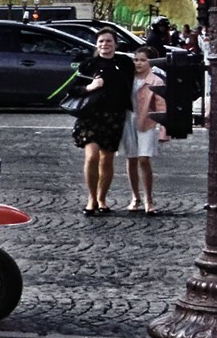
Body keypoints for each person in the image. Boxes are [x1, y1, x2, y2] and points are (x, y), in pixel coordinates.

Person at [69, 31, 134, 216]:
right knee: (92, 156)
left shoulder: (124, 63)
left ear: (116, 44)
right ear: (96, 44)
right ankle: (91, 198)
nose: (105, 44)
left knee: (107, 159)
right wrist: (89, 87)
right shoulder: (89, 64)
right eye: (101, 41)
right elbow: (71, 88)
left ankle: (101, 198)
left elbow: (142, 70)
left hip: (114, 116)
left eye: (109, 41)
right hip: (91, 116)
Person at [123, 37, 166, 213]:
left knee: (143, 159)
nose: (138, 63)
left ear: (151, 62)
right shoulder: (128, 79)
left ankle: (149, 198)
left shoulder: (156, 81)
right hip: (128, 121)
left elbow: (162, 106)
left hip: (147, 122)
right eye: (136, 59)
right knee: (131, 159)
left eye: (143, 60)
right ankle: (135, 197)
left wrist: (163, 130)